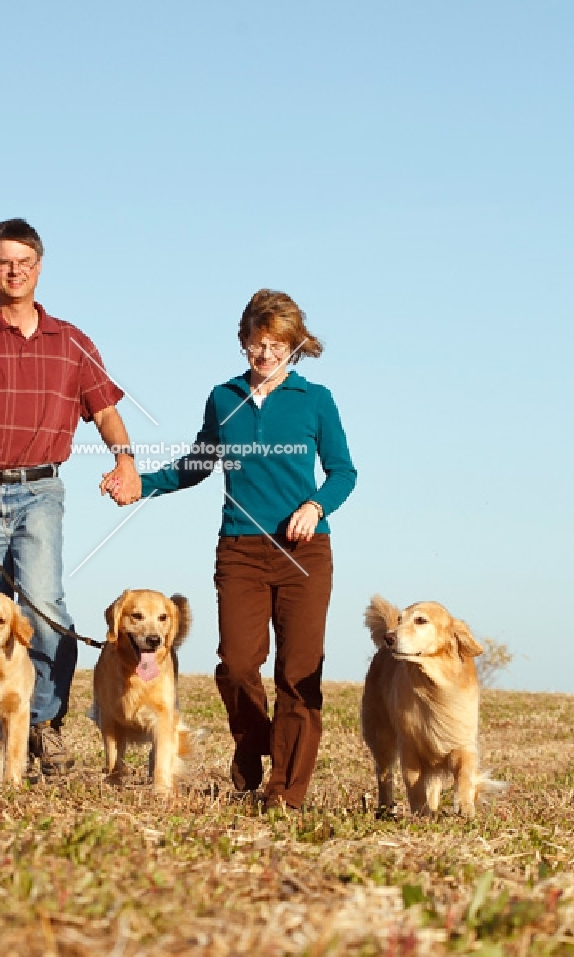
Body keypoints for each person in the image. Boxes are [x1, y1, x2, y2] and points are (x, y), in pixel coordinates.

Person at [105, 290, 356, 809]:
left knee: (297, 673)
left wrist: (316, 506)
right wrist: (140, 485)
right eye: (256, 344)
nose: (265, 355)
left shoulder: (316, 401)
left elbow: (344, 472)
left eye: (276, 345)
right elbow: (196, 465)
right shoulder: (224, 398)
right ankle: (254, 742)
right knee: (238, 665)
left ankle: (285, 793)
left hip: (303, 553)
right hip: (239, 549)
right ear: (242, 341)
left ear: (295, 346)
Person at [0, 218, 140, 774]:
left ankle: (41, 723)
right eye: (4, 262)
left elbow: (106, 411)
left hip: (40, 490)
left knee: (43, 611)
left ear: (40, 267)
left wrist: (125, 459)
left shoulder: (72, 341)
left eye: (24, 261)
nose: (14, 270)